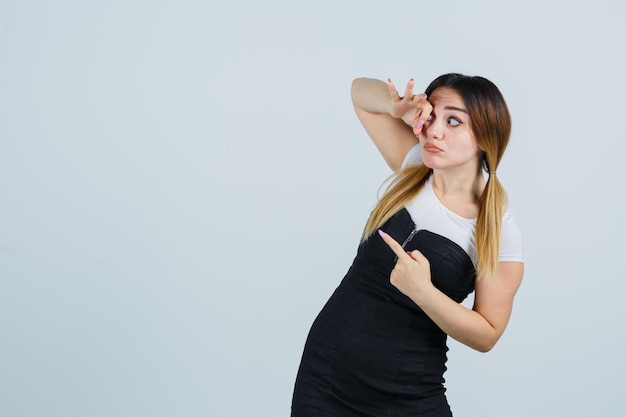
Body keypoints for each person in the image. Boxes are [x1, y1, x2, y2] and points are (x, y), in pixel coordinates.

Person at [291, 74, 524, 417]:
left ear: (486, 137)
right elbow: (359, 92)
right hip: (326, 375)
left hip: (406, 395)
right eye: (431, 116)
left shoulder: (496, 229)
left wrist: (423, 292)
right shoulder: (415, 164)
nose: (434, 131)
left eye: (453, 121)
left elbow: (487, 334)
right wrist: (394, 105)